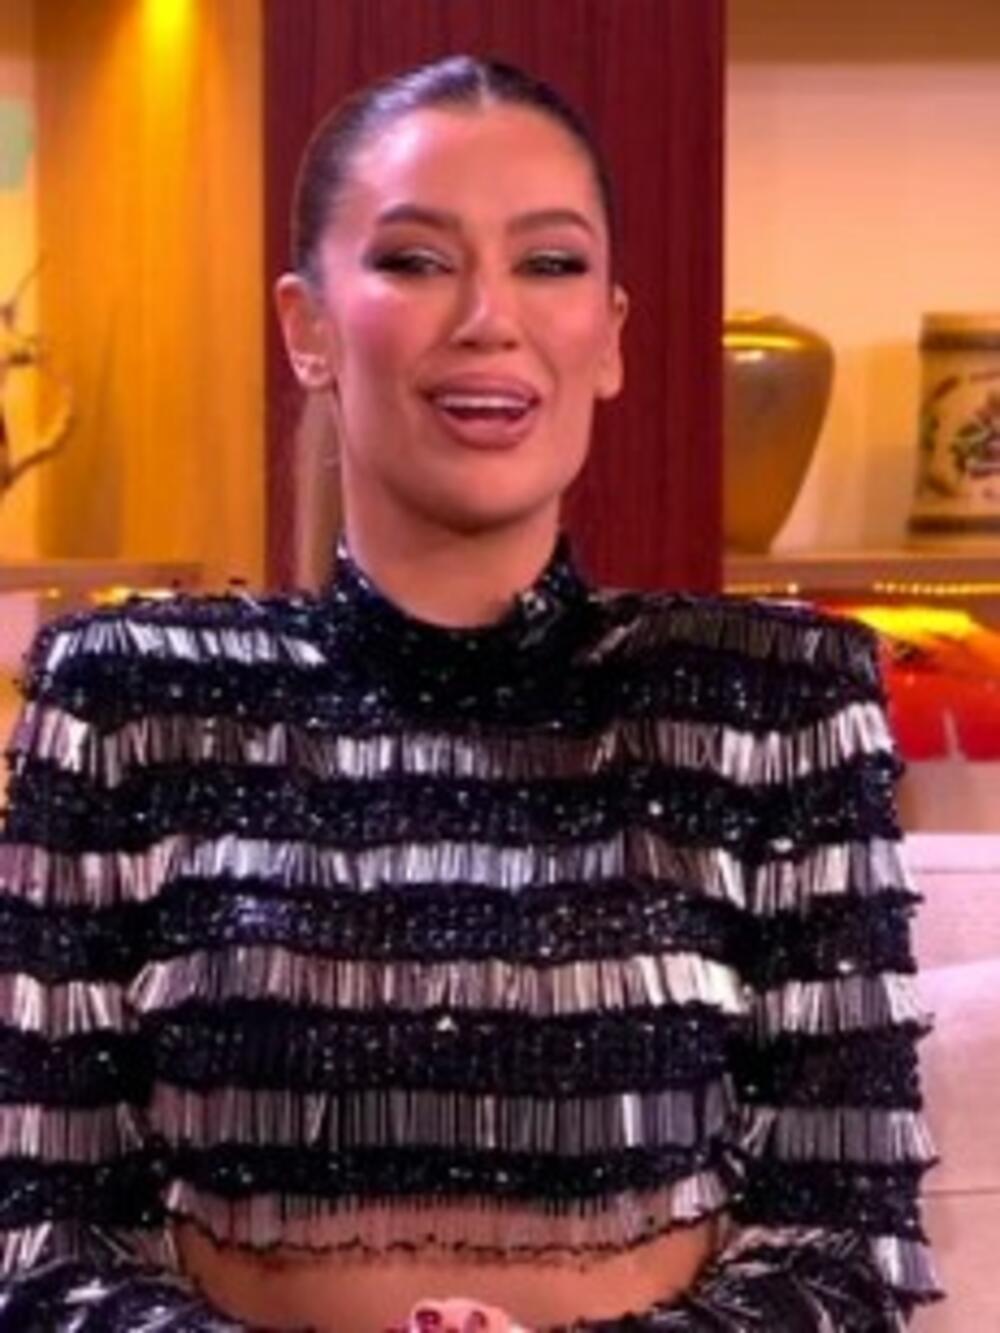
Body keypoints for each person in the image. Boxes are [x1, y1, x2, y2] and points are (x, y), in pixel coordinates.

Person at [0, 55, 939, 1333]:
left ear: (609, 335)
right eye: (415, 260)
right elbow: (39, 1245)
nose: (489, 317)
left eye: (548, 263)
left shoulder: (773, 701)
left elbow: (846, 1251)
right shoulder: (126, 698)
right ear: (306, 326)